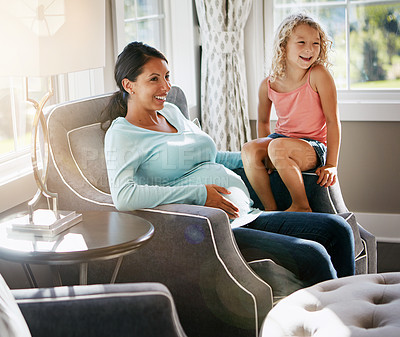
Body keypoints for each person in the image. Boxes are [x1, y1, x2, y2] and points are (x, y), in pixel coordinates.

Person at [102, 41, 355, 289]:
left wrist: (256, 157)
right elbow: (124, 196)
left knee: (338, 229)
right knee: (313, 254)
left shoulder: (170, 112)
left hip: (247, 211)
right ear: (129, 85)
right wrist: (199, 194)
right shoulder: (122, 134)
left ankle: (356, 312)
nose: (166, 86)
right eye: (154, 79)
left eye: (167, 76)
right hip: (216, 227)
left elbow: (209, 158)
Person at [241, 13, 340, 212]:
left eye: (316, 43)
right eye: (301, 42)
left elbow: (333, 121)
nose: (309, 49)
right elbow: (262, 121)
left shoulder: (318, 75)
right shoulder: (268, 84)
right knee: (249, 149)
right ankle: (271, 211)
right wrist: (267, 154)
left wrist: (331, 164)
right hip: (280, 141)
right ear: (283, 46)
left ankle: (301, 205)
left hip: (313, 146)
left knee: (278, 147)